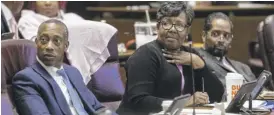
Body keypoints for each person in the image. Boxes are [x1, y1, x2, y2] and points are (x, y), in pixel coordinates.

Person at [116, 2, 210, 115]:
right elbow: (139, 101)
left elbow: (217, 94)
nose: (172, 29)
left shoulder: (190, 54)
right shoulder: (145, 54)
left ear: (187, 31)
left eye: (179, 25)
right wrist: (185, 102)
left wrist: (200, 64)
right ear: (158, 26)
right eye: (166, 23)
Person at [12, 19, 117, 115]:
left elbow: (96, 108)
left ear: (65, 46)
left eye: (56, 41)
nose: (49, 47)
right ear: (36, 43)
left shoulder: (73, 72)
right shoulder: (26, 79)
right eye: (44, 40)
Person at [18, 1, 117, 84]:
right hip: (52, 71)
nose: (47, 3)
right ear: (33, 2)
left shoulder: (72, 17)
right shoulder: (28, 20)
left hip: (90, 73)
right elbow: (36, 45)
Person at [194, 12, 256, 103]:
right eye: (215, 34)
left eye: (226, 35)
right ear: (204, 36)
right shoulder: (198, 59)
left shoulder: (244, 68)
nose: (221, 40)